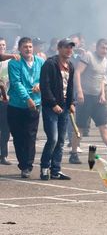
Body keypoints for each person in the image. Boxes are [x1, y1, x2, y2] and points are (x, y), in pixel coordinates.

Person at [71, 39, 107, 164]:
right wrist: (79, 92)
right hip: (85, 97)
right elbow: (77, 73)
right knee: (80, 127)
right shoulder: (88, 56)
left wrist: (102, 94)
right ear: (97, 47)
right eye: (103, 48)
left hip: (97, 99)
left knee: (104, 126)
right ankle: (74, 153)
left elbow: (102, 78)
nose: (105, 51)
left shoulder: (105, 61)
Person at [39, 38, 76, 180]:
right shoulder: (50, 64)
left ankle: (55, 169)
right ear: (59, 48)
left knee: (61, 140)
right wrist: (53, 104)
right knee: (53, 139)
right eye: (66, 47)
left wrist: (72, 102)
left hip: (65, 107)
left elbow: (70, 86)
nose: (69, 50)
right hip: (50, 108)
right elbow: (45, 86)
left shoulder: (70, 66)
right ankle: (44, 167)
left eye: (71, 48)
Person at [7, 37, 44, 178]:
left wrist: (40, 85)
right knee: (18, 136)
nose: (28, 49)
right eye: (25, 47)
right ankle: (22, 162)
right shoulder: (14, 63)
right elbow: (16, 83)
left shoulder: (40, 62)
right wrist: (27, 98)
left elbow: (45, 78)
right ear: (20, 49)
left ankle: (27, 166)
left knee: (30, 135)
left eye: (30, 46)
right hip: (16, 105)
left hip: (35, 103)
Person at [0, 37, 18, 165]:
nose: (2, 47)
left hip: (6, 100)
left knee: (6, 128)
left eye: (3, 45)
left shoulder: (10, 63)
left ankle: (3, 155)